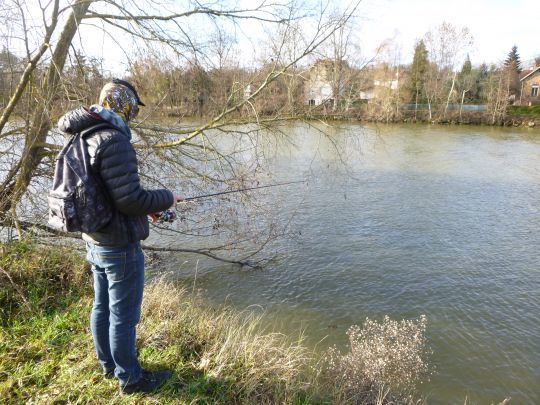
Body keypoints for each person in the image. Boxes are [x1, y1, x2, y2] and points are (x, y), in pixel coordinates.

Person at [57, 79, 181, 394]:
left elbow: (106, 193)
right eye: (132, 108)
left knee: (101, 307)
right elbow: (130, 200)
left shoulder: (84, 133)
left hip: (95, 237)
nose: (134, 115)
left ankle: (109, 367)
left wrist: (148, 209)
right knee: (123, 317)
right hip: (118, 245)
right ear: (122, 104)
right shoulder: (114, 139)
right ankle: (131, 379)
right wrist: (167, 197)